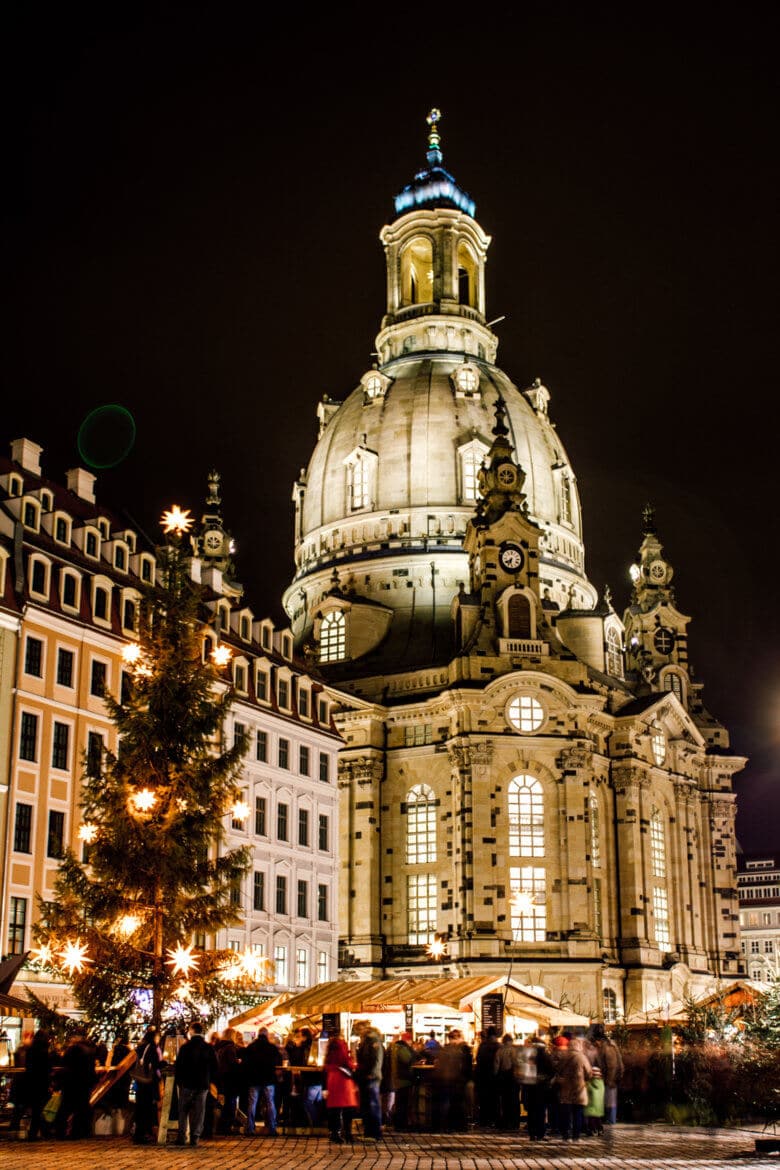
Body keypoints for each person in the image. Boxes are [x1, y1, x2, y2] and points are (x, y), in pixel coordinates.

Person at [174, 1020, 219, 1147]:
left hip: (187, 1083)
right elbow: (215, 1066)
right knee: (200, 1111)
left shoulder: (185, 1048)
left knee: (183, 1110)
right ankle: (195, 1136)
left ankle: (182, 1136)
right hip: (203, 1084)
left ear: (191, 1031)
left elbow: (179, 1066)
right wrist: (211, 1080)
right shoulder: (208, 1047)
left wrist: (179, 1081)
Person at [55, 1029, 97, 1139]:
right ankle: (79, 1131)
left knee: (65, 1107)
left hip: (70, 1082)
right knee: (82, 1108)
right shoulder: (89, 1051)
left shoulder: (71, 1050)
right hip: (84, 1083)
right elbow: (91, 1069)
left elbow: (64, 1065)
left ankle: (61, 1131)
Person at [243, 1026, 282, 1136]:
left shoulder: (251, 1047)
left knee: (252, 1104)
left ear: (258, 1034)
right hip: (268, 1079)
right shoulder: (272, 1047)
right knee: (270, 1103)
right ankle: (272, 1128)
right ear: (267, 1035)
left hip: (253, 1080)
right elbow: (278, 1062)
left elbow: (245, 1063)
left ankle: (249, 1128)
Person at [432, 1028, 472, 1133]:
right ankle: (460, 1125)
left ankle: (445, 1125)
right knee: (459, 1103)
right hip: (458, 1080)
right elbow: (467, 1067)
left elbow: (438, 1064)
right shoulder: (463, 1049)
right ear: (458, 1037)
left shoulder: (445, 1049)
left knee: (446, 1103)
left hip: (445, 1079)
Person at [323, 1031, 359, 1144]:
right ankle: (348, 1133)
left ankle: (334, 1133)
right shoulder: (341, 1045)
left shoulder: (330, 1048)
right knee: (348, 1109)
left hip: (332, 1079)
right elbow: (346, 1061)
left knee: (335, 1109)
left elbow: (326, 1064)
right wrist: (353, 1064)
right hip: (343, 1080)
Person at [556, 1035, 593, 1142]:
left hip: (566, 1088)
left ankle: (565, 1135)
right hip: (579, 1089)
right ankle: (576, 1136)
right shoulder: (582, 1057)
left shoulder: (564, 1056)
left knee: (566, 1114)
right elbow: (589, 1073)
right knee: (577, 1113)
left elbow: (558, 1070)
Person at [354, 1020, 384, 1140]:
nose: (358, 1032)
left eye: (359, 1030)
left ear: (366, 1028)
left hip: (371, 1077)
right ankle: (368, 1132)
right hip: (365, 1076)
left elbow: (377, 1058)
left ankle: (375, 1133)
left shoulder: (373, 1039)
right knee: (367, 1105)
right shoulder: (365, 1041)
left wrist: (372, 1073)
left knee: (373, 1105)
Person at [132, 1025, 162, 1145]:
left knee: (141, 1107)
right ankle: (144, 1133)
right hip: (149, 1081)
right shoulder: (151, 1047)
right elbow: (155, 1064)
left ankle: (139, 1132)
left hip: (141, 1081)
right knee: (147, 1107)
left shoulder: (141, 1046)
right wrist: (164, 1063)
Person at [523, 1034, 555, 1142]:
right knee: (540, 1111)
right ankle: (540, 1133)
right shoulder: (546, 1056)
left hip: (530, 1086)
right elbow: (551, 1071)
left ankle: (532, 1134)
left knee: (532, 1111)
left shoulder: (529, 1056)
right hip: (542, 1088)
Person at [25, 1029, 53, 1141]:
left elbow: (28, 1066)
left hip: (32, 1082)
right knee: (39, 1109)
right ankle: (36, 1133)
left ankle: (41, 1132)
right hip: (42, 1083)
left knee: (37, 1109)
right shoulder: (44, 1051)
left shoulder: (31, 1049)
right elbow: (47, 1068)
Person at [592, 1025, 624, 1124]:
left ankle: (611, 1121)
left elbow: (612, 1066)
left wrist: (609, 1081)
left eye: (595, 1042)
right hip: (607, 1078)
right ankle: (609, 1120)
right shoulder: (606, 1046)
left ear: (599, 1040)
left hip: (611, 1079)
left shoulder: (608, 1048)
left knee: (610, 1101)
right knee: (608, 1101)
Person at [215, 1027, 243, 1134]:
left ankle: (222, 1126)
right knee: (230, 1103)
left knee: (225, 1103)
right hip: (231, 1079)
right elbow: (232, 1064)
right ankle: (226, 1127)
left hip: (222, 1078)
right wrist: (238, 1062)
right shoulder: (230, 1047)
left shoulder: (219, 1047)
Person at [474, 1026, 501, 1128]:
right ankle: (494, 1120)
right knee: (494, 1100)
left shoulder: (483, 1046)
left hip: (482, 1077)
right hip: (494, 1077)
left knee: (484, 1100)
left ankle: (484, 1120)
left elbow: (478, 1059)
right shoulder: (498, 1046)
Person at [389, 1031, 416, 1131]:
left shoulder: (396, 1047)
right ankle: (401, 1124)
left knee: (400, 1102)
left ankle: (399, 1123)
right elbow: (407, 1059)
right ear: (408, 1040)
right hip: (404, 1079)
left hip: (398, 1078)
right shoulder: (402, 1048)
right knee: (402, 1103)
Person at [494, 1032, 521, 1130]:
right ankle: (515, 1123)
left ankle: (506, 1122)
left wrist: (496, 1075)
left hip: (502, 1077)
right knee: (514, 1100)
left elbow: (496, 1066)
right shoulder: (514, 1051)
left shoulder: (499, 1051)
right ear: (511, 1041)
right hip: (513, 1078)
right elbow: (517, 1064)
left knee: (505, 1101)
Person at [584, 1065, 605, 1134]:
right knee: (597, 1118)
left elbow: (588, 1090)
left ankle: (592, 1130)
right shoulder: (601, 1082)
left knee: (591, 1118)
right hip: (599, 1104)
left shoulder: (589, 1083)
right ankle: (600, 1129)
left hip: (591, 1103)